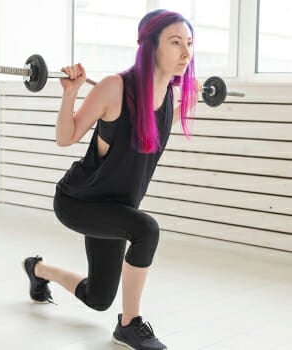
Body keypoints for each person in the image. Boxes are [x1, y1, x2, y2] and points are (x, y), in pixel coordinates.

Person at [23, 9, 199, 350]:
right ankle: (129, 325)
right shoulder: (114, 88)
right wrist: (70, 92)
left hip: (115, 209)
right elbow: (66, 137)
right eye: (175, 42)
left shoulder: (166, 97)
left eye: (190, 44)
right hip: (79, 202)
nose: (186, 53)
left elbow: (155, 125)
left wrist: (198, 98)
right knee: (146, 230)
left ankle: (38, 270)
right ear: (150, 46)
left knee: (98, 297)